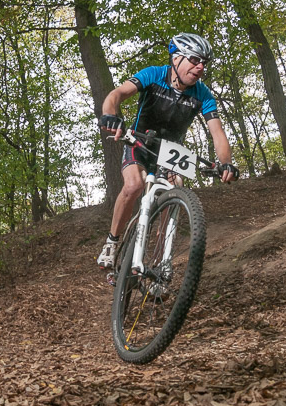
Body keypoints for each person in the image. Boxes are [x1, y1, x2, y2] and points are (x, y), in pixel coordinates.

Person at [96, 33, 238, 269]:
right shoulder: (154, 74)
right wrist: (110, 115)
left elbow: (217, 132)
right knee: (134, 185)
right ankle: (111, 242)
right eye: (194, 60)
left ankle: (161, 257)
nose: (201, 67)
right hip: (140, 142)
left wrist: (226, 163)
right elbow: (117, 94)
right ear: (176, 58)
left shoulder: (203, 94)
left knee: (175, 189)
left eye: (204, 63)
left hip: (170, 151)